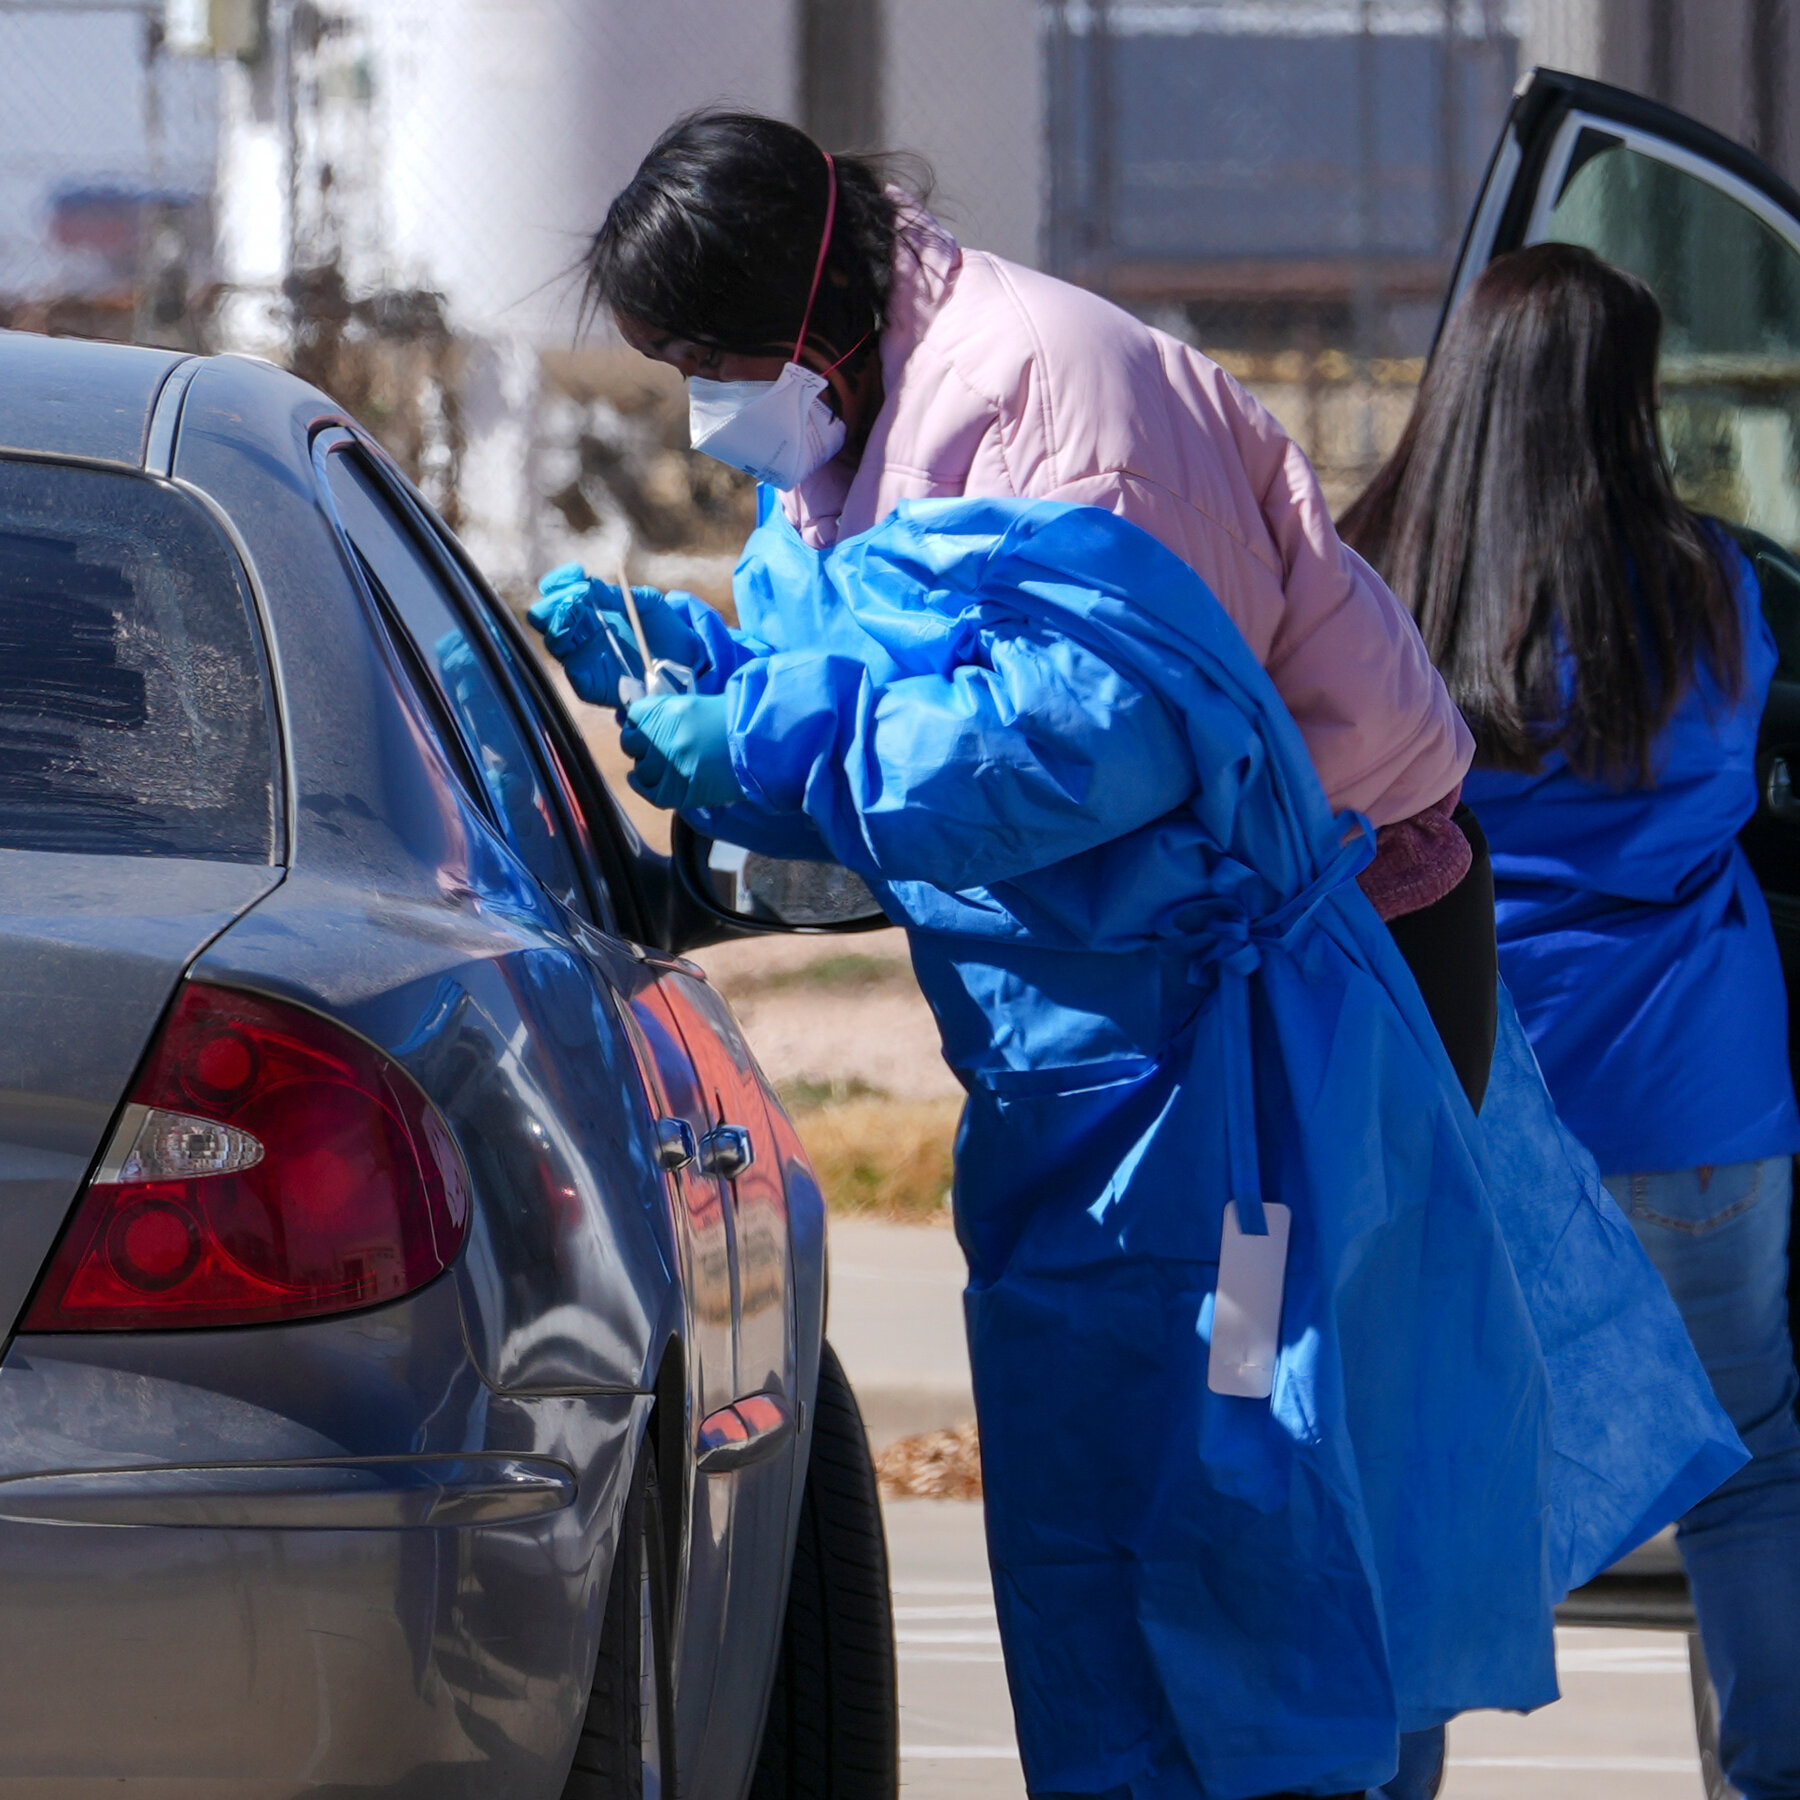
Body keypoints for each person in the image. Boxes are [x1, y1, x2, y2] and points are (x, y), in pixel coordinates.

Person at [533, 116, 1742, 1800]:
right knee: (1120, 1483)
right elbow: (875, 662)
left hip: (1270, 1042)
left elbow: (1090, 737)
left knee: (1272, 1453)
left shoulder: (1055, 392)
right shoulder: (852, 419)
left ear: (799, 304)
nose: (707, 403)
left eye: (711, 359)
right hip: (1100, 1055)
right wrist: (717, 670)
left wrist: (774, 745)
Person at [1341, 240, 1800, 1800]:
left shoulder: (1371, 578)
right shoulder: (1706, 586)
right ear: (1629, 402)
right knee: (1749, 1456)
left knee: (1421, 1463)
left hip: (1450, 1089)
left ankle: (1391, 1779)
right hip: (1689, 1093)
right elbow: (1733, 780)